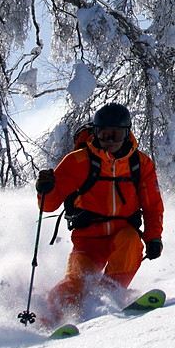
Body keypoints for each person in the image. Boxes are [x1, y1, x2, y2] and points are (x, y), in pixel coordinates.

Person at [35, 102, 164, 326]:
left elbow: (153, 205)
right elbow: (49, 205)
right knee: (78, 280)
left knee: (131, 243)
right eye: (104, 135)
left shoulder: (140, 164)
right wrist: (44, 190)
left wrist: (153, 237)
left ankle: (106, 300)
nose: (110, 141)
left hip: (123, 234)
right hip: (88, 238)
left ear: (127, 133)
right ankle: (49, 320)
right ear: (95, 133)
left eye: (116, 134)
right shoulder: (78, 161)